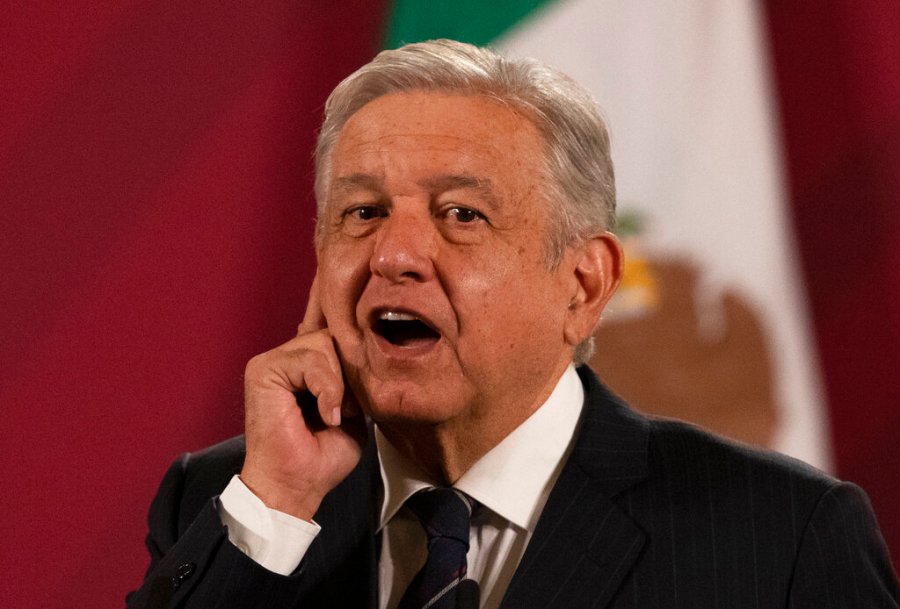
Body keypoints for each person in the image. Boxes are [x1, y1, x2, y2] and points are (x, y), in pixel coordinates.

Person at [127, 39, 898, 609]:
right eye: (361, 212)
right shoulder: (229, 501)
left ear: (584, 283)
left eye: (461, 214)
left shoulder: (781, 539)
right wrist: (273, 508)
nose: (393, 254)